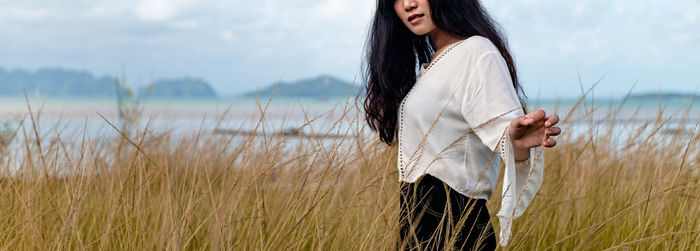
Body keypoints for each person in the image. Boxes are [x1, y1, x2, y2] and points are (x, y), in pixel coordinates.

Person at [362, 0, 562, 250]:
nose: (409, 4)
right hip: (418, 224)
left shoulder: (477, 51)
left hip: (456, 227)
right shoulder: (436, 62)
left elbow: (504, 130)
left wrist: (517, 141)